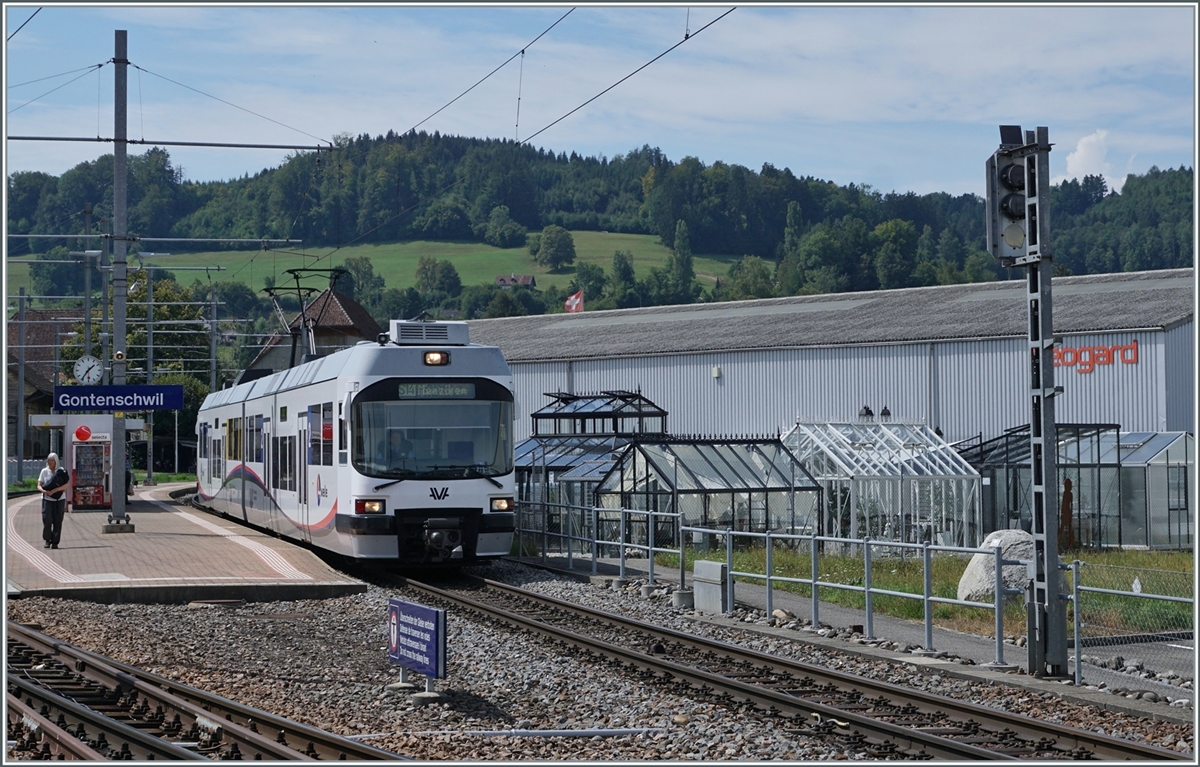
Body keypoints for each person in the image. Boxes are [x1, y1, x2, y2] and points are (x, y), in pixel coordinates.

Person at [37, 452, 69, 550]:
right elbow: (38, 485)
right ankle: (47, 539)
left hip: (59, 499)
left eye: (52, 460)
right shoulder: (44, 471)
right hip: (47, 499)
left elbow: (66, 484)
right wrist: (45, 491)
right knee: (47, 519)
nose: (50, 462)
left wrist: (55, 490)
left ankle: (55, 541)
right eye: (49, 460)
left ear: (56, 461)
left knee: (58, 520)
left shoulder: (61, 471)